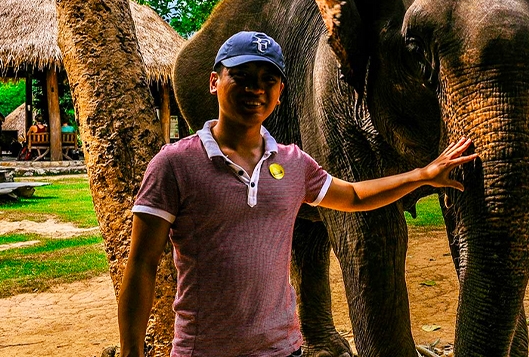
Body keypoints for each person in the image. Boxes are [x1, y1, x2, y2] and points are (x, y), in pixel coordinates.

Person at [118, 31, 478, 357]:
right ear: (214, 82)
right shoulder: (174, 164)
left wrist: (423, 175)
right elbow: (142, 263)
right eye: (241, 77)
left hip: (283, 349)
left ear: (280, 93)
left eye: (267, 80)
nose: (254, 89)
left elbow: (352, 196)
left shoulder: (293, 162)